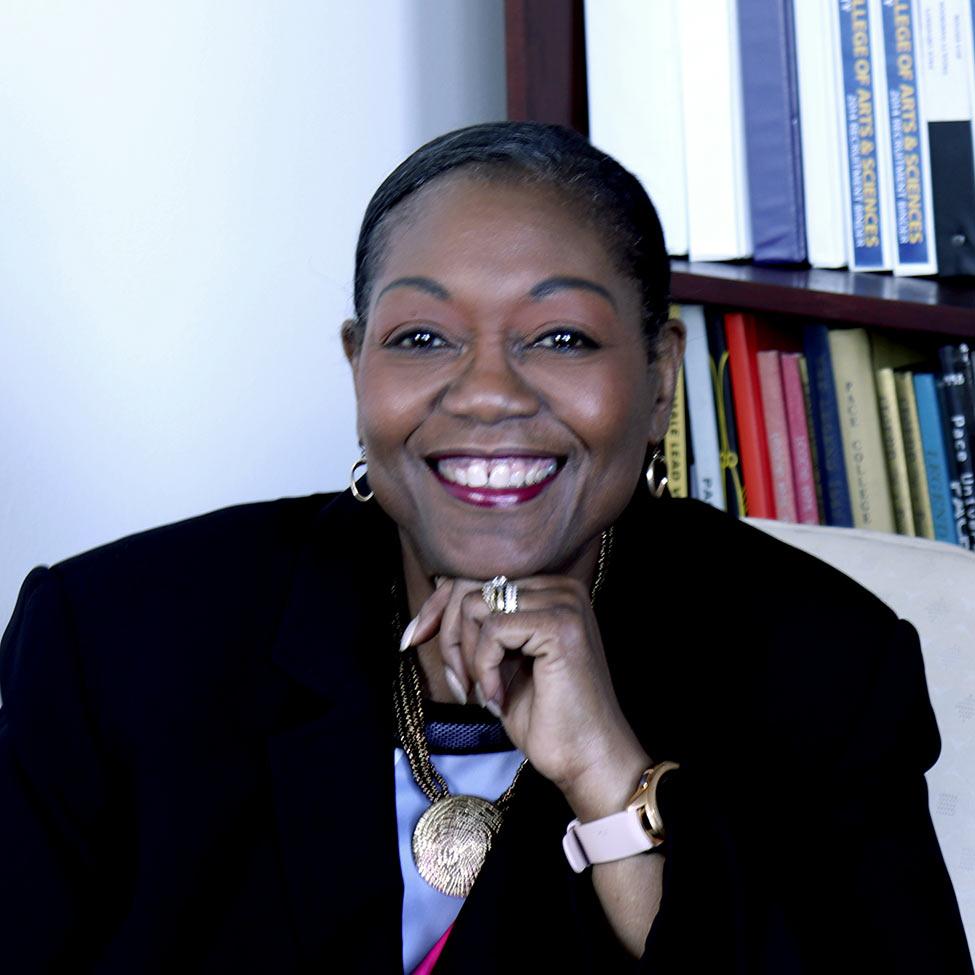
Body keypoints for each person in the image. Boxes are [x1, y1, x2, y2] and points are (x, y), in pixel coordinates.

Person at [0, 121, 970, 974]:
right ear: (357, 365)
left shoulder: (824, 669)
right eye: (422, 339)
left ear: (662, 375)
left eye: (561, 337)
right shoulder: (113, 642)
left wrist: (611, 784)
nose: (488, 394)